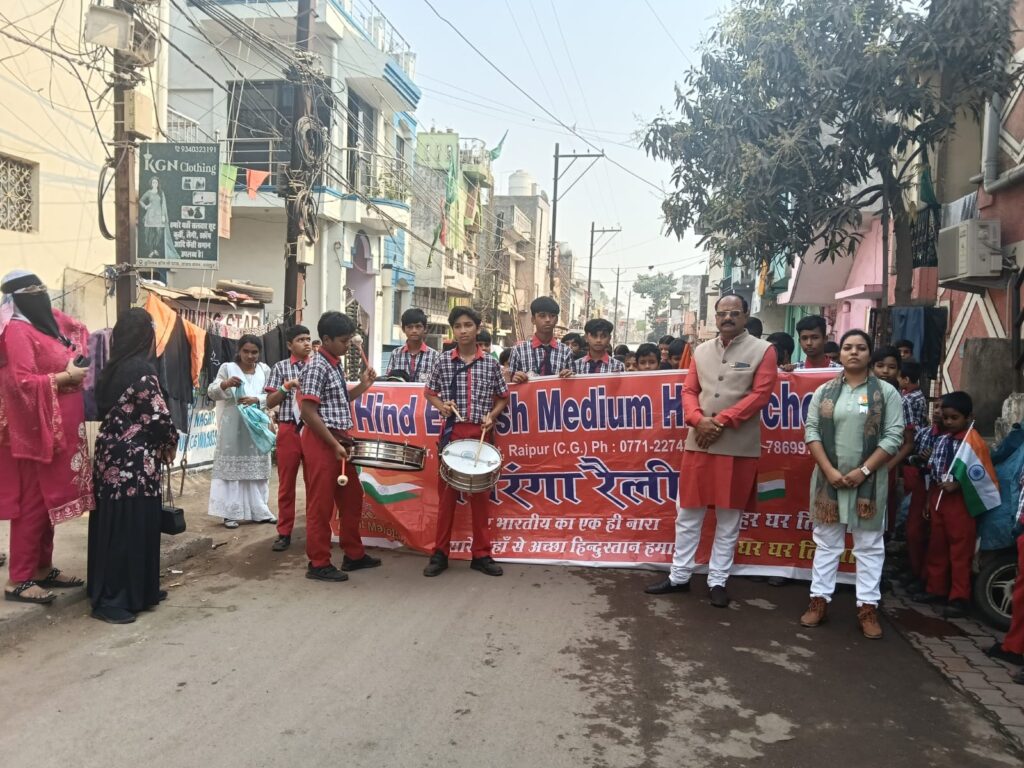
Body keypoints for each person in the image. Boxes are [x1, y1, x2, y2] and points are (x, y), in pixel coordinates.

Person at [646, 294, 778, 608]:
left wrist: (720, 421)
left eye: (734, 313)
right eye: (722, 313)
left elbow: (760, 395)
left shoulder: (763, 350)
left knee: (728, 518)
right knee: (688, 513)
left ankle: (717, 580)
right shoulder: (701, 350)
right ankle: (679, 576)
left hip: (737, 447)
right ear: (715, 317)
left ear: (745, 315)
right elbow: (689, 390)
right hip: (699, 443)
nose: (727, 318)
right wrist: (696, 420)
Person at [799, 329, 905, 639]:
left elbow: (894, 436)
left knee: (869, 547)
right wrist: (829, 471)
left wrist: (864, 471)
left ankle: (867, 607)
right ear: (840, 354)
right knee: (826, 544)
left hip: (868, 482)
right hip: (828, 481)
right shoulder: (825, 391)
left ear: (870, 354)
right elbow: (812, 431)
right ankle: (819, 601)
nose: (854, 352)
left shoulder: (886, 393)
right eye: (848, 347)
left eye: (861, 347)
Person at [0, 270, 92, 605]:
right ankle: (19, 578)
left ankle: (42, 567)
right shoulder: (17, 331)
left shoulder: (41, 325)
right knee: (33, 503)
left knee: (49, 500)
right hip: (35, 431)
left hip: (58, 430)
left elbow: (76, 329)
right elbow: (20, 383)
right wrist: (65, 376)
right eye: (33, 290)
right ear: (17, 298)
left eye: (42, 287)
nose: (40, 294)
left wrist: (70, 364)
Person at [89, 308, 179, 624]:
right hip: (135, 464)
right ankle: (116, 598)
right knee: (133, 526)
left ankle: (136, 590)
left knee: (115, 525)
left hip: (110, 458)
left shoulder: (111, 369)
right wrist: (171, 441)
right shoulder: (141, 369)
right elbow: (158, 417)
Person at [423, 306, 510, 577]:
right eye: (458, 326)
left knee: (480, 498)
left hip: (480, 436)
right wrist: (442, 406)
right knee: (447, 498)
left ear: (477, 328)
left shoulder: (491, 364)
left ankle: (481, 554)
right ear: (453, 330)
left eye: (468, 325)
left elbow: (503, 396)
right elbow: (429, 392)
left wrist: (492, 416)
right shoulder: (443, 361)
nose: (463, 331)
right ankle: (440, 553)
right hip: (452, 434)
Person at [298, 311, 380, 582]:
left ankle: (353, 554)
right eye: (343, 341)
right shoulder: (316, 366)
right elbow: (308, 412)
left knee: (352, 499)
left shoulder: (333, 364)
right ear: (326, 339)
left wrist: (364, 385)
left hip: (338, 440)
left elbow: (339, 400)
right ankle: (318, 562)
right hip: (322, 441)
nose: (348, 345)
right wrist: (333, 444)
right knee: (320, 506)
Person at [915, 392, 986, 619]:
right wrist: (929, 500)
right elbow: (933, 469)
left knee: (959, 550)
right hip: (939, 495)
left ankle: (959, 597)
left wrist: (959, 484)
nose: (948, 422)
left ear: (969, 417)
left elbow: (981, 475)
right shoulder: (943, 440)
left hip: (960, 500)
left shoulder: (974, 442)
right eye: (945, 418)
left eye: (954, 418)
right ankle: (936, 588)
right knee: (937, 545)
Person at [207, 335, 275, 529]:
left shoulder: (264, 370)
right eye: (246, 351)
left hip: (257, 427)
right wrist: (226, 384)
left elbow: (272, 395)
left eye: (254, 352)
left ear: (259, 352)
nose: (250, 356)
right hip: (233, 426)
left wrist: (257, 400)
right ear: (239, 350)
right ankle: (230, 513)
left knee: (257, 469)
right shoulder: (228, 368)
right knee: (232, 469)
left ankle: (260, 510)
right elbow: (212, 392)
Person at [264, 325, 313, 552]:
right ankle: (284, 532)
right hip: (288, 429)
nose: (306, 343)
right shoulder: (280, 367)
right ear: (289, 345)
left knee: (315, 483)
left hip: (313, 430)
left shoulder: (318, 366)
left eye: (308, 339)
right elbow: (270, 402)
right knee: (286, 484)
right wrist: (285, 387)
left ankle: (316, 530)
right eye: (301, 339)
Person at [507, 297, 574, 381]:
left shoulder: (566, 351)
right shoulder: (518, 351)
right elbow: (510, 382)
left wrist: (569, 375)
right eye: (542, 315)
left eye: (552, 316)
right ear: (533, 320)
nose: (548, 320)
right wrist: (515, 378)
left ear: (556, 320)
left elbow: (574, 382)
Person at [386, 308, 440, 384]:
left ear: (425, 328)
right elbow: (389, 381)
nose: (414, 330)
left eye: (418, 326)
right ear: (403, 329)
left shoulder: (435, 356)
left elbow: (438, 383)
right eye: (410, 327)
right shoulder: (396, 353)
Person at [139, 177, 179, 260]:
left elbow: (163, 205)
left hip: (159, 215)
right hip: (150, 215)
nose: (155, 184)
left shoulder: (161, 193)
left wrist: (163, 216)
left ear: (158, 184)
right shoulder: (148, 192)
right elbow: (141, 201)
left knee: (158, 233)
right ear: (151, 184)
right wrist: (145, 207)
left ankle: (155, 248)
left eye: (156, 182)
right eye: (153, 182)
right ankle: (151, 250)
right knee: (150, 234)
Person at [898, 361, 928, 430]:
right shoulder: (919, 393)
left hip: (912, 433)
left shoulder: (907, 400)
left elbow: (909, 427)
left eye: (898, 377)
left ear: (906, 380)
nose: (897, 380)